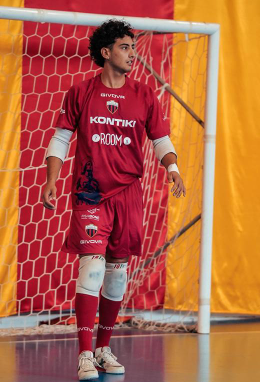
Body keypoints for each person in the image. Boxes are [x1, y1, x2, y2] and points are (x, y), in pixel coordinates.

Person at [41, 19, 185, 381]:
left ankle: (104, 349)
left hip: (129, 195)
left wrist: (172, 167)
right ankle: (84, 354)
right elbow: (60, 138)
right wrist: (51, 180)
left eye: (133, 48)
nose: (132, 54)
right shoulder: (80, 92)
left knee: (117, 276)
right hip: (90, 193)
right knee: (91, 269)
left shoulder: (144, 95)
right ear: (105, 52)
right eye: (125, 47)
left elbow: (160, 139)